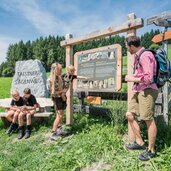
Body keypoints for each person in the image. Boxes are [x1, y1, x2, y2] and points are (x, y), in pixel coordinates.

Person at [124, 36, 158, 161]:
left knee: (148, 119)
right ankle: (139, 143)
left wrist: (130, 78)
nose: (126, 48)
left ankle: (151, 150)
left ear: (132, 46)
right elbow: (141, 74)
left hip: (147, 90)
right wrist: (133, 77)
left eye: (126, 46)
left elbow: (148, 78)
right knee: (129, 114)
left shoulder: (145, 55)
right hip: (138, 89)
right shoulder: (139, 56)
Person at [49, 63, 67, 141]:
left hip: (61, 98)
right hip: (57, 99)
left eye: (61, 69)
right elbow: (53, 93)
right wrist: (62, 91)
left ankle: (59, 130)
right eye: (59, 69)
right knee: (59, 116)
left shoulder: (59, 77)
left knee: (61, 115)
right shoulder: (51, 80)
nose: (61, 70)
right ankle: (53, 133)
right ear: (55, 70)